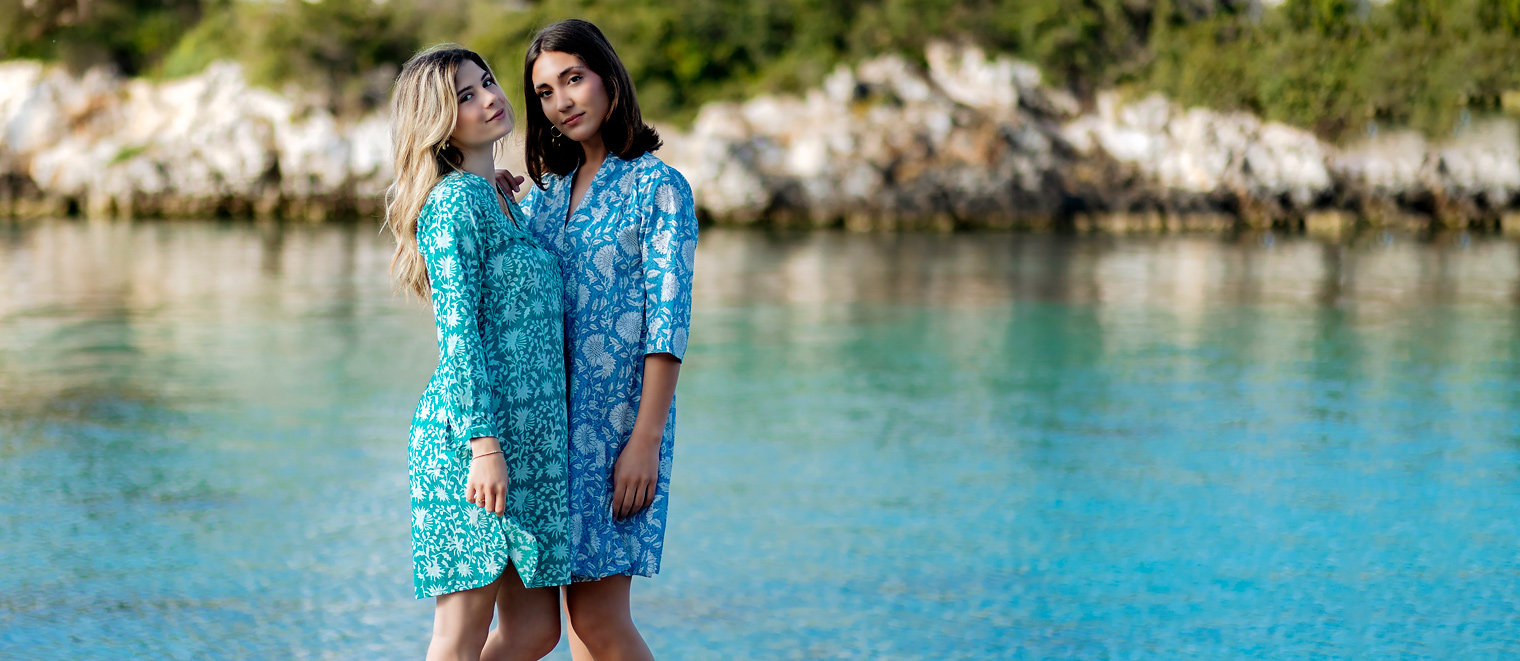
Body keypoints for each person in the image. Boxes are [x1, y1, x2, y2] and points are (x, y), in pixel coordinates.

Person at [501, 18, 698, 661]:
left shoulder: (658, 187)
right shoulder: (545, 195)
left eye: (573, 79)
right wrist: (497, 202)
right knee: (565, 628)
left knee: (598, 620)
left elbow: (667, 326)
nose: (562, 101)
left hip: (617, 431)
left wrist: (645, 442)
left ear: (608, 77)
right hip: (542, 431)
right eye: (545, 92)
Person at [385, 44, 571, 661]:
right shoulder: (453, 204)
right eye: (465, 95)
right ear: (439, 121)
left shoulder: (497, 197)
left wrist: (506, 190)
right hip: (472, 444)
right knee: (458, 638)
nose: (491, 97)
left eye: (487, 81)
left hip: (529, 443)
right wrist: (483, 447)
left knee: (534, 632)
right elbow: (458, 333)